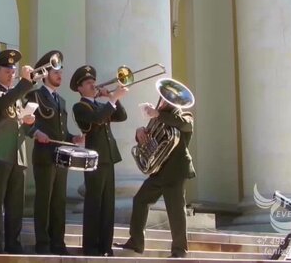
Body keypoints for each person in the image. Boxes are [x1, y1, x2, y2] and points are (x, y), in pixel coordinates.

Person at [113, 99, 196, 258]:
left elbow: (185, 125)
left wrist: (158, 113)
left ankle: (179, 250)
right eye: (162, 98)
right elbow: (148, 140)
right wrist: (139, 133)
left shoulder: (185, 116)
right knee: (140, 200)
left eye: (167, 99)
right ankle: (136, 242)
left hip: (176, 171)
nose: (162, 101)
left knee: (176, 209)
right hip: (159, 171)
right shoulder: (158, 119)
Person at [24, 50, 84, 255]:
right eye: (55, 70)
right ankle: (43, 242)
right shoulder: (35, 95)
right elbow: (25, 122)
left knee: (59, 201)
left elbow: (62, 132)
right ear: (45, 73)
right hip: (44, 156)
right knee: (44, 200)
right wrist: (36, 132)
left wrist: (73, 138)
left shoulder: (62, 101)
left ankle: (58, 242)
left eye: (61, 70)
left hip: (61, 157)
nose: (60, 74)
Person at [0, 49, 35, 254]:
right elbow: (3, 103)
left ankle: (13, 244)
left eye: (13, 69)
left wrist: (29, 122)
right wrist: (24, 83)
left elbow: (20, 124)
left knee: (15, 205)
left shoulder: (18, 94)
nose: (11, 72)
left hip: (18, 155)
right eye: (6, 69)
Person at [70, 65, 128, 256]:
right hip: (94, 159)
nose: (93, 85)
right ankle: (91, 246)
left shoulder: (101, 105)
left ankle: (105, 246)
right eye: (88, 83)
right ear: (79, 88)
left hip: (108, 157)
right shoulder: (80, 107)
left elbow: (121, 116)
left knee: (108, 205)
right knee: (94, 203)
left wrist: (113, 98)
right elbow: (95, 119)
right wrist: (112, 100)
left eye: (93, 82)